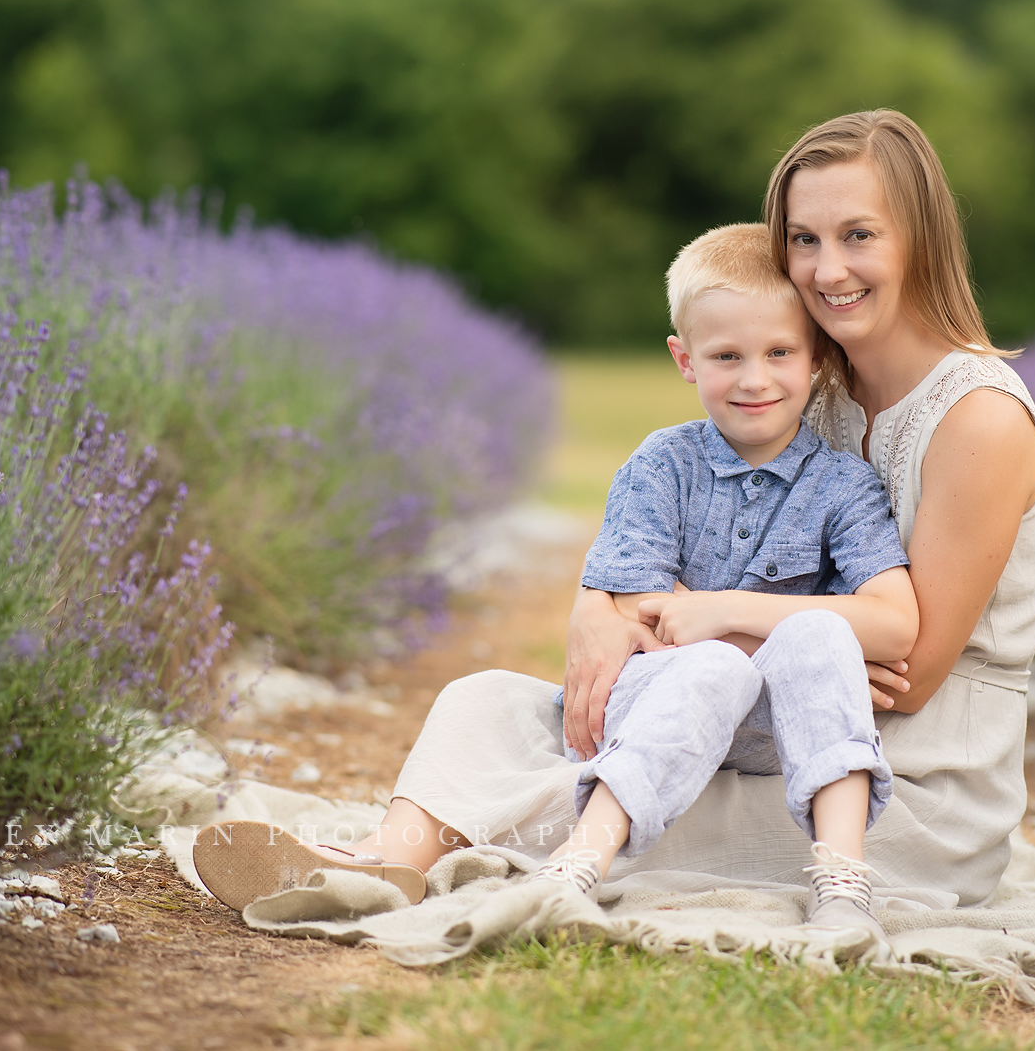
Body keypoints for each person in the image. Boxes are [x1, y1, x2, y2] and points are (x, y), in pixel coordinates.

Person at [201, 106, 1035, 920]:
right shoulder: (818, 393)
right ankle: (381, 856)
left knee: (580, 779)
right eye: (804, 238)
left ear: (922, 237)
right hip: (761, 716)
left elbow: (905, 674)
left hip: (900, 786)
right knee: (495, 701)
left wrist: (711, 628)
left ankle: (405, 862)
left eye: (858, 235)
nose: (828, 268)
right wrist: (597, 612)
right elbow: (720, 612)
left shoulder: (976, 417)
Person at [193, 223, 919, 941]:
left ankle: (838, 879)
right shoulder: (662, 463)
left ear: (817, 356)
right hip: (658, 697)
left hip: (769, 727)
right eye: (727, 354)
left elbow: (894, 621)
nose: (754, 378)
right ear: (685, 359)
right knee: (482, 694)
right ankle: (389, 861)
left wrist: (718, 610)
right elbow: (639, 615)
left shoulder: (844, 486)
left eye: (779, 352)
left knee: (810, 634)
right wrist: (729, 633)